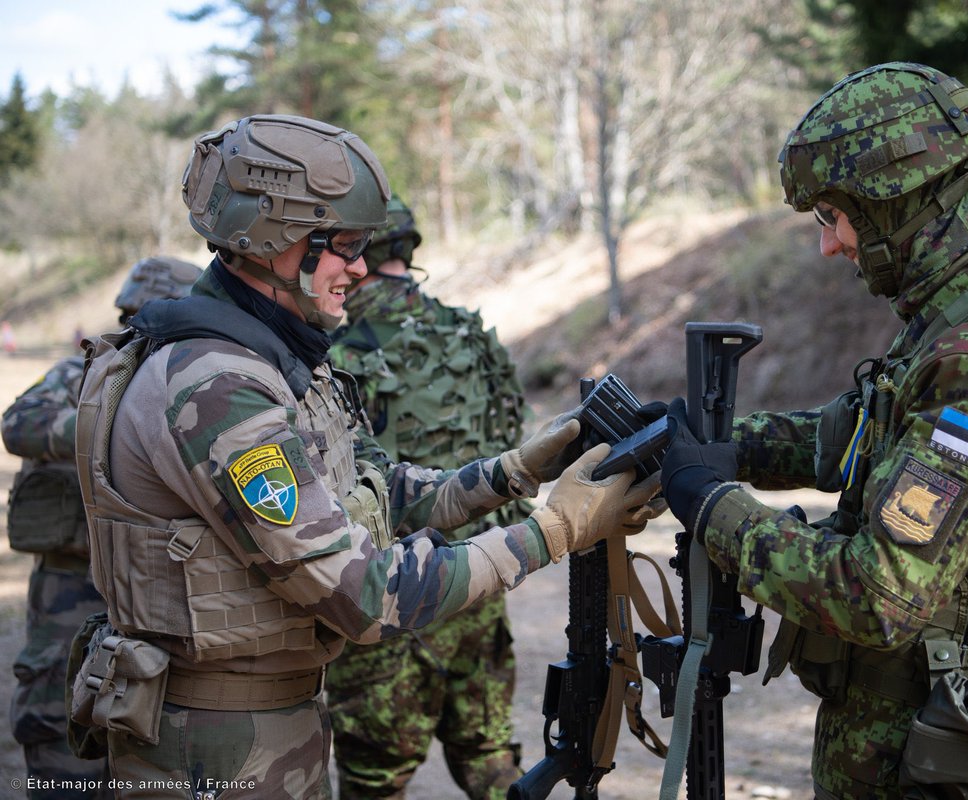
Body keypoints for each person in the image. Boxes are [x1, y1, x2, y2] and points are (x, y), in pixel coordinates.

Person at [69, 114, 659, 800]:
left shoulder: (277, 360)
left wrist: (516, 470)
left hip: (261, 730)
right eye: (344, 246)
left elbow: (380, 488)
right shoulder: (218, 390)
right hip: (213, 751)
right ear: (274, 243)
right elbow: (363, 597)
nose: (360, 268)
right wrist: (555, 529)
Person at [656, 63, 968, 799]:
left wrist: (715, 510)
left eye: (834, 218)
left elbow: (876, 593)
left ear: (898, 205)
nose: (830, 247)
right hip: (924, 749)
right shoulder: (963, 319)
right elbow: (857, 434)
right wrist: (719, 444)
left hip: (943, 764)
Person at [325, 197, 528, 799]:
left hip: (392, 595)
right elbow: (513, 435)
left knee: (373, 778)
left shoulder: (331, 350)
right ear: (408, 251)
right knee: (491, 756)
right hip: (482, 581)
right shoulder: (472, 333)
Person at [2, 256, 201, 799]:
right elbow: (20, 423)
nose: (142, 324)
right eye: (134, 314)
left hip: (156, 585)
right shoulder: (83, 372)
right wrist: (106, 426)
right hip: (72, 583)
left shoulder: (194, 379)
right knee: (57, 721)